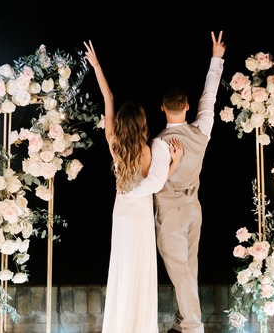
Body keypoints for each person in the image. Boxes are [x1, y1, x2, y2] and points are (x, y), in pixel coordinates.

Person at [83, 40, 183, 333]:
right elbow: (156, 184)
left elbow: (108, 97)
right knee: (140, 269)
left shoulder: (113, 142)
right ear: (141, 123)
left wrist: (97, 66)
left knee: (122, 269)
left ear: (121, 124)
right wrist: (175, 162)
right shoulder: (147, 151)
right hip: (140, 216)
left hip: (122, 213)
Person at [154, 31, 226, 333]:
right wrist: (216, 59)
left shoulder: (158, 143)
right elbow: (209, 98)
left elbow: (154, 182)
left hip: (171, 213)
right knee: (189, 268)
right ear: (186, 107)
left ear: (162, 108)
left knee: (180, 271)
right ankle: (183, 322)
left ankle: (193, 327)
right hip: (193, 208)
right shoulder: (200, 131)